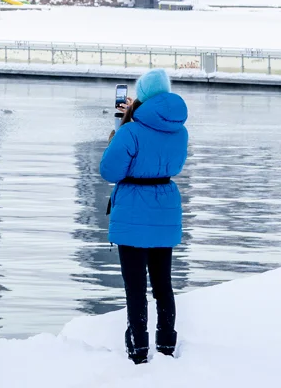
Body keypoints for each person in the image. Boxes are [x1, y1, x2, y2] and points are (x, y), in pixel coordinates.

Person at [98, 67, 188, 364]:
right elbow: (173, 164)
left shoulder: (131, 131)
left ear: (142, 97)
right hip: (165, 207)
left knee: (135, 286)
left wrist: (117, 136)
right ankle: (166, 344)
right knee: (163, 283)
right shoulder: (180, 130)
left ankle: (138, 348)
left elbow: (109, 171)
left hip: (134, 210)